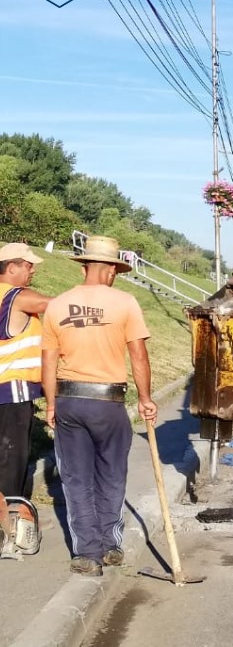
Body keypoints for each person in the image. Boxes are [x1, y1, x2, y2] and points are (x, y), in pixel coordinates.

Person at [40, 236, 158, 577]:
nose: (115, 277)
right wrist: (146, 399)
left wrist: (51, 404)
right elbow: (138, 355)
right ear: (108, 269)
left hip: (69, 401)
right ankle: (109, 544)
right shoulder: (125, 303)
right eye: (115, 271)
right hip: (108, 404)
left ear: (85, 265)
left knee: (76, 479)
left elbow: (48, 361)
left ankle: (87, 554)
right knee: (111, 474)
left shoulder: (58, 304)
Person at [0, 243, 50, 499]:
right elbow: (54, 305)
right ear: (11, 267)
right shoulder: (16, 296)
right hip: (12, 389)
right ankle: (12, 520)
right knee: (12, 458)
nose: (33, 271)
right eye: (29, 266)